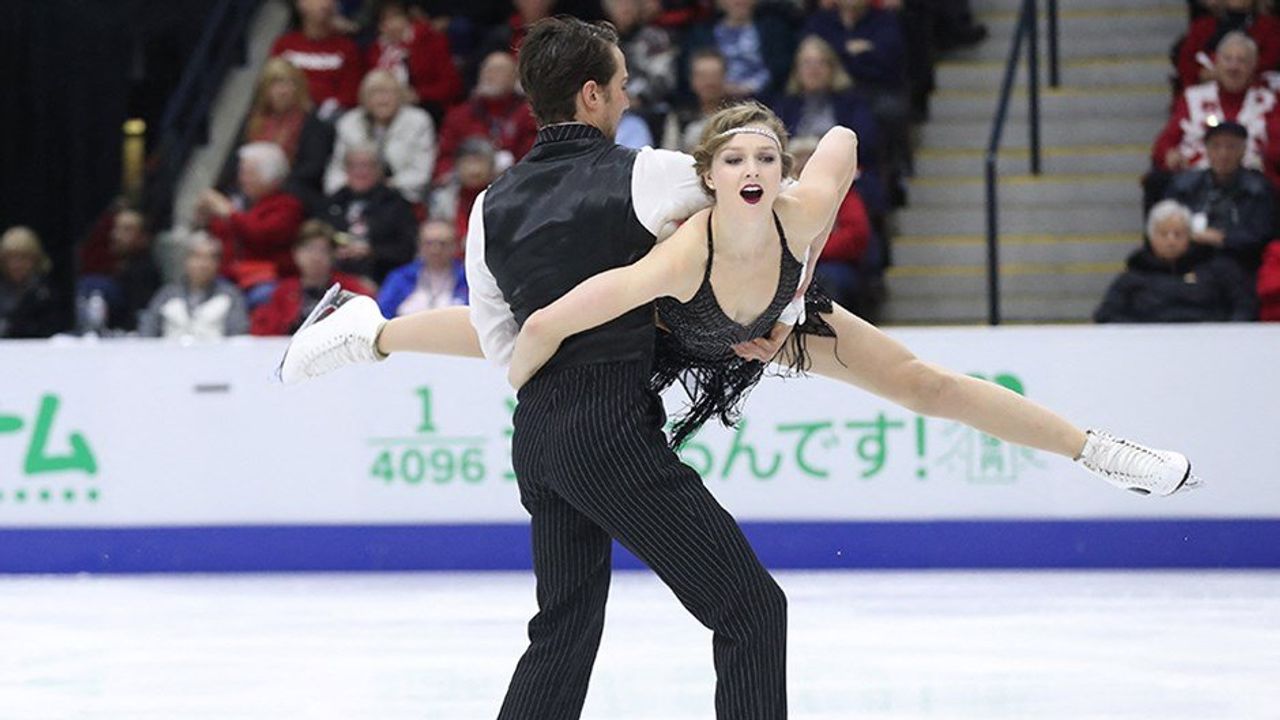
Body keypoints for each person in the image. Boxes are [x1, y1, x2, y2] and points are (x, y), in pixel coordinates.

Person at [275, 18, 1200, 718]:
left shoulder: (492, 205)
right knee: (739, 610)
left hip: (742, 338)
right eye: (735, 159)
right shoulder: (668, 205)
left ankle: (1100, 451)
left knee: (925, 385)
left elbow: (501, 329)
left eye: (767, 158)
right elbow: (539, 328)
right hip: (674, 341)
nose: (750, 169)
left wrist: (796, 269)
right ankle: (370, 331)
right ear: (703, 173)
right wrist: (533, 376)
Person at [1094, 200, 1256, 323]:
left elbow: (1245, 305)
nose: (1171, 241)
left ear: (1190, 236)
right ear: (1151, 238)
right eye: (1163, 234)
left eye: (1178, 234)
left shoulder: (1217, 269)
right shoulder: (1133, 276)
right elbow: (1106, 315)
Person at [198, 142, 306, 305]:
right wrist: (204, 216)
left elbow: (260, 235)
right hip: (229, 278)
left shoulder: (287, 206)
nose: (242, 179)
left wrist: (228, 212)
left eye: (249, 174)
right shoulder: (242, 202)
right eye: (242, 172)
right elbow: (219, 235)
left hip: (266, 280)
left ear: (270, 177)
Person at [1164, 119, 1274, 274]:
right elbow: (1166, 223)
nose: (1223, 154)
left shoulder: (1258, 189)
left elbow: (1262, 235)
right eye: (1216, 146)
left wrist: (1222, 239)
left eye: (1231, 147)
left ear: (1243, 150)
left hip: (1239, 263)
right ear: (1207, 150)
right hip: (1190, 258)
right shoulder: (1184, 186)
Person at [325, 69, 437, 204]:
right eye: (375, 93)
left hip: (403, 196)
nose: (382, 100)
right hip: (355, 195)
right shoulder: (349, 122)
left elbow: (421, 173)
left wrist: (385, 187)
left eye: (388, 93)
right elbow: (336, 170)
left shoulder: (418, 121)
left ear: (400, 96)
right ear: (364, 98)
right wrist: (351, 188)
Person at [251, 220, 373, 336]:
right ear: (296, 253)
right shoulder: (284, 291)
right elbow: (262, 331)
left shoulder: (350, 289)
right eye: (309, 249)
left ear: (333, 255)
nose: (315, 257)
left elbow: (367, 323)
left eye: (322, 250)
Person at [321, 143, 419, 283]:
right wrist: (333, 252)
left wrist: (371, 251)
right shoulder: (333, 202)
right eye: (353, 166)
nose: (360, 171)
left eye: (367, 166)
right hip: (334, 277)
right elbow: (317, 239)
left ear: (380, 170)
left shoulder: (396, 204)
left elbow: (407, 249)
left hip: (382, 276)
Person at [139, 233, 250, 339]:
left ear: (218, 264)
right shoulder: (166, 295)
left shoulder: (231, 296)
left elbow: (238, 337)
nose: (203, 264)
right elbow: (148, 332)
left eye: (211, 258)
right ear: (186, 260)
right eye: (197, 257)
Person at [270, 0, 364, 117]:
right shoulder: (284, 45)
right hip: (287, 115)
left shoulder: (347, 49)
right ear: (301, 4)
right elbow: (271, 85)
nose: (325, 4)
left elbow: (350, 95)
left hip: (328, 120)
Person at [377, 219, 468, 316]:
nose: (435, 250)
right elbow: (382, 314)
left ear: (455, 246)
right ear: (420, 246)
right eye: (429, 243)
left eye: (443, 244)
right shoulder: (400, 278)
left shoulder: (467, 279)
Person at [0, 226, 60, 338]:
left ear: (36, 259)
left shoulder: (45, 294)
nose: (17, 264)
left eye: (23, 257)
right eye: (11, 257)